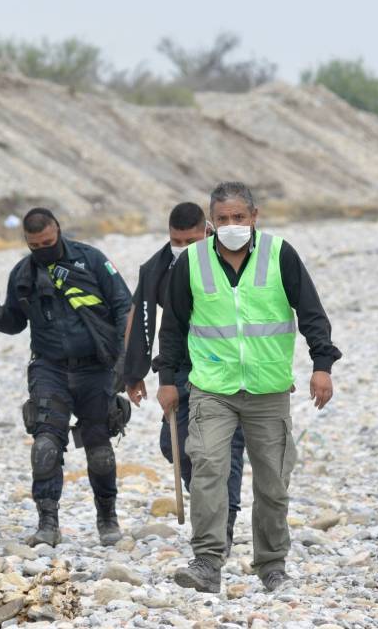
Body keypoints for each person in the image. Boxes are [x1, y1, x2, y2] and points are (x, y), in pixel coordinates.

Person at [157, 182, 341, 593]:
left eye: (239, 217)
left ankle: (272, 563)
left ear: (254, 217)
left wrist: (322, 366)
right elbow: (172, 328)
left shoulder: (280, 255)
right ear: (211, 222)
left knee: (273, 482)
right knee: (207, 470)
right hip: (211, 387)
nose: (231, 225)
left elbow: (311, 313)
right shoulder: (191, 262)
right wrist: (166, 380)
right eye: (222, 219)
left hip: (268, 389)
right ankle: (207, 561)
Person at [0, 208, 132, 547]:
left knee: (100, 449)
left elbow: (124, 305)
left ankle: (107, 518)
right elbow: (14, 323)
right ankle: (48, 522)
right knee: (45, 446)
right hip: (50, 368)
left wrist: (124, 358)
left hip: (95, 367)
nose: (43, 249)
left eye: (48, 242)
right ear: (27, 243)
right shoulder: (23, 273)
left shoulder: (91, 260)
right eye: (35, 245)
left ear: (58, 231)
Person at [121, 202, 246, 555]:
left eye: (191, 239)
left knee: (224, 448)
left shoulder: (231, 260)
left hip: (226, 366)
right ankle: (210, 505)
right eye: (177, 240)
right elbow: (141, 315)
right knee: (173, 445)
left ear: (207, 231)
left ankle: (223, 523)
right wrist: (134, 373)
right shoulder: (157, 268)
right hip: (180, 366)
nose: (184, 247)